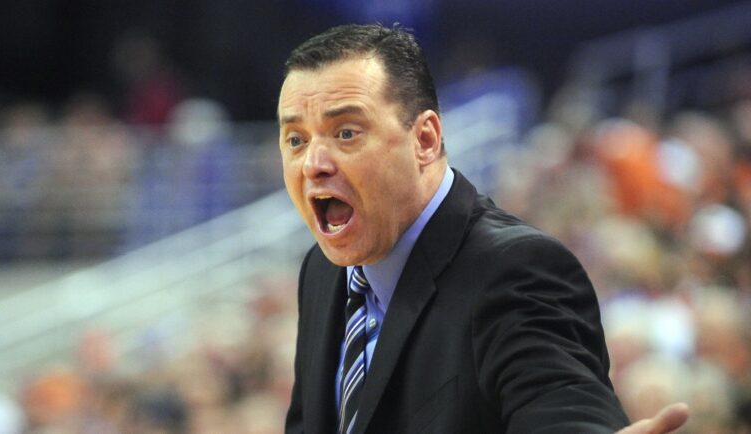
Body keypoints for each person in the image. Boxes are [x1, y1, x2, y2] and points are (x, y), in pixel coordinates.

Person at [278, 24, 689, 433]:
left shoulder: (516, 270)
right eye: (295, 140)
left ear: (424, 140)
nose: (314, 163)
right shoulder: (323, 270)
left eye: (346, 133)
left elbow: (561, 405)